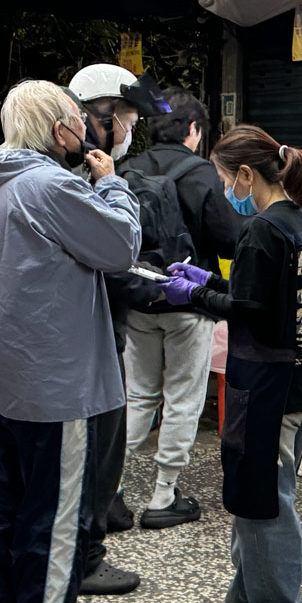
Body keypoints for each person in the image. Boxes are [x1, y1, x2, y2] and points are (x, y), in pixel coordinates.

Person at [0, 79, 140, 603]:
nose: (84, 130)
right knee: (54, 515)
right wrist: (111, 181)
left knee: (5, 505)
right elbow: (118, 245)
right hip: (53, 379)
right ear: (59, 130)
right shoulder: (47, 184)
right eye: (77, 121)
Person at [158, 125, 302, 603]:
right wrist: (207, 280)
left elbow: (250, 310)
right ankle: (250, 590)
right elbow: (262, 292)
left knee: (262, 500)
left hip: (270, 386)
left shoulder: (261, 229)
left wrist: (194, 297)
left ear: (247, 175)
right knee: (267, 491)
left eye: (225, 177)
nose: (224, 187)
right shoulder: (298, 223)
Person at [118, 87, 242, 530]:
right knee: (183, 399)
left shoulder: (125, 169)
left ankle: (109, 490)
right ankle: (162, 496)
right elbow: (230, 238)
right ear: (193, 129)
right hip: (189, 302)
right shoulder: (201, 174)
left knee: (139, 395)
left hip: (138, 300)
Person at [63, 64, 144, 594]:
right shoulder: (76, 181)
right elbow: (118, 250)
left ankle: (93, 528)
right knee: (96, 443)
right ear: (100, 118)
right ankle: (86, 556)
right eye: (127, 118)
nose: (131, 128)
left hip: (90, 330)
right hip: (85, 337)